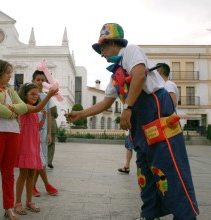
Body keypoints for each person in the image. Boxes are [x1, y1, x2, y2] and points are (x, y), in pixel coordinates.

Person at [67, 23, 199, 220]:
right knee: (145, 173)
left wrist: (127, 108)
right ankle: (149, 214)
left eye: (102, 48)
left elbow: (138, 75)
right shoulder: (115, 74)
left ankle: (185, 216)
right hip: (142, 129)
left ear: (112, 42)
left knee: (170, 168)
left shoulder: (131, 51)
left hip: (158, 119)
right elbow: (106, 102)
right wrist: (81, 114)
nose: (100, 53)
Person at [0, 60, 58, 220]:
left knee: (8, 173)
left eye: (10, 73)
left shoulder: (9, 91)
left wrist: (11, 108)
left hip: (13, 133)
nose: (10, 76)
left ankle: (9, 207)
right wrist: (13, 110)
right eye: (7, 73)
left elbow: (24, 107)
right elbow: (0, 110)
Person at [14, 83, 55, 215]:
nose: (35, 96)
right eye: (32, 93)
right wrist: (49, 95)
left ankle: (29, 201)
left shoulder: (34, 110)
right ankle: (18, 203)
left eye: (37, 94)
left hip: (33, 145)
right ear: (24, 95)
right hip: (25, 145)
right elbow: (37, 108)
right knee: (23, 174)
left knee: (32, 173)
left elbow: (36, 127)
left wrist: (42, 119)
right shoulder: (24, 107)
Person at [32, 70, 58, 197]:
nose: (41, 82)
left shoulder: (48, 97)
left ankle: (33, 186)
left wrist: (48, 134)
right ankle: (46, 185)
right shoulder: (30, 96)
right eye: (38, 80)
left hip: (43, 133)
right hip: (32, 133)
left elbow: (49, 116)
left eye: (43, 80)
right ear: (33, 81)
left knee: (41, 160)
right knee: (39, 160)